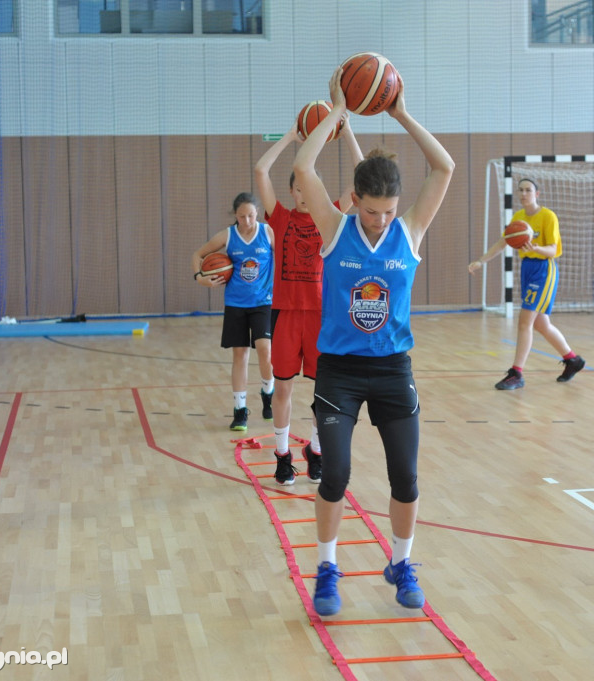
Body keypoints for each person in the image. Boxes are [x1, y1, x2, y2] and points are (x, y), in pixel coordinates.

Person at [293, 67, 455, 617]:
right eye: (372, 210)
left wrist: (401, 112)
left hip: (392, 369)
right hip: (338, 369)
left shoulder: (408, 231)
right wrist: (338, 112)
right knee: (335, 473)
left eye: (388, 211)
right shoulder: (335, 229)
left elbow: (444, 167)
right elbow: (303, 166)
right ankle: (328, 568)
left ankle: (401, 562)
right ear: (354, 199)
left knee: (405, 478)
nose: (381, 220)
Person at [254, 118, 363, 485]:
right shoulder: (280, 217)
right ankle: (282, 456)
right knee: (283, 389)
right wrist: (290, 135)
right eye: (297, 188)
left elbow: (361, 182)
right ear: (291, 192)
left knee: (323, 395)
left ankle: (315, 451)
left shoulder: (328, 214)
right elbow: (260, 169)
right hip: (286, 316)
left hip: (322, 317)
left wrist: (346, 132)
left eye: (307, 188)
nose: (302, 193)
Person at [468, 177, 585, 390]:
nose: (524, 194)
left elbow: (553, 250)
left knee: (525, 321)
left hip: (543, 269)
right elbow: (503, 243)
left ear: (537, 194)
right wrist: (481, 260)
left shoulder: (548, 216)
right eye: (520, 190)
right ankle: (572, 359)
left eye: (528, 190)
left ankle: (516, 373)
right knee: (541, 324)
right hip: (527, 269)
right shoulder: (519, 218)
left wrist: (535, 249)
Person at [193, 193, 275, 432]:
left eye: (251, 215)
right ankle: (240, 410)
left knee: (265, 349)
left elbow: (284, 259)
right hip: (236, 303)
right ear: (235, 215)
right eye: (242, 216)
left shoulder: (268, 233)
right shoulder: (228, 236)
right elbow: (197, 255)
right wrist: (201, 278)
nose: (247, 220)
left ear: (257, 213)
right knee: (240, 355)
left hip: (263, 301)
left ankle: (268, 392)